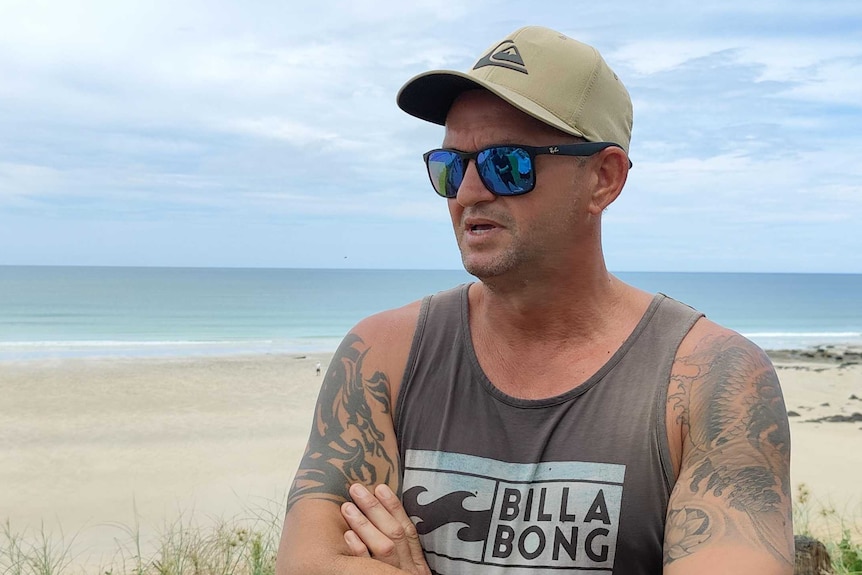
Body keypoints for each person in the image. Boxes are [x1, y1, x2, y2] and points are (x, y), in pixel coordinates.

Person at [276, 25, 793, 575]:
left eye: (508, 164)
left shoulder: (711, 380)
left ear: (603, 178)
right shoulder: (382, 355)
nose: (470, 191)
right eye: (450, 167)